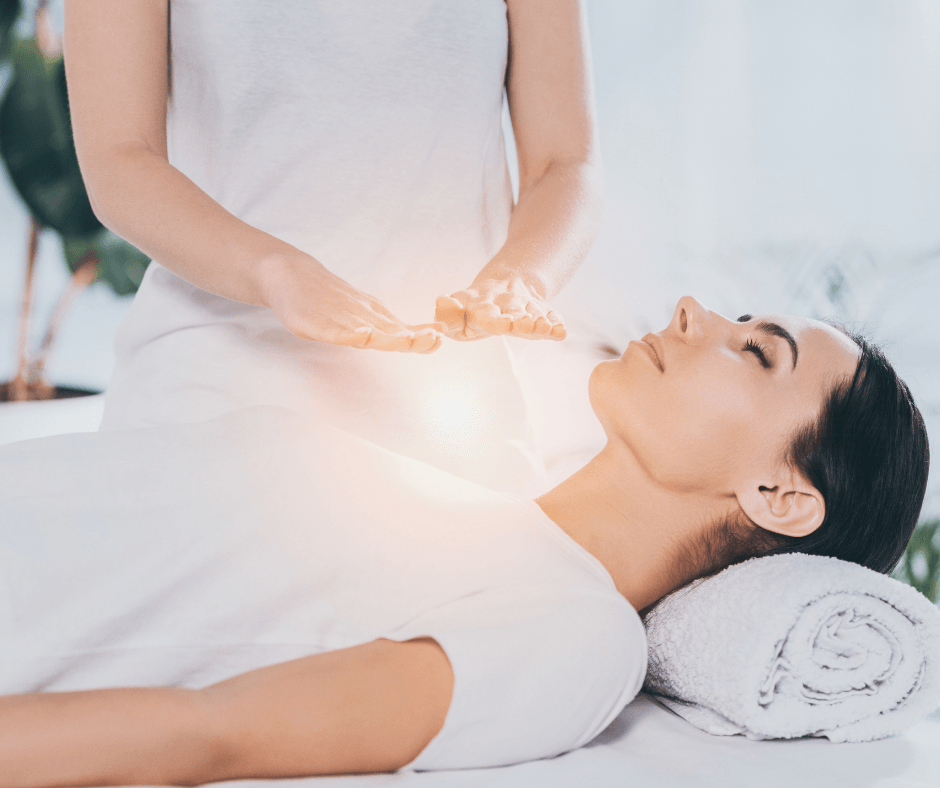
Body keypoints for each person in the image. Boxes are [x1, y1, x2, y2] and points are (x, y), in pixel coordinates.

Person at [0, 297, 929, 786]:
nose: (694, 311)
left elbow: (210, 735)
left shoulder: (581, 635)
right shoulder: (472, 499)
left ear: (779, 495)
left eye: (757, 352)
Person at [63, 0, 603, 495]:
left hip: (454, 422)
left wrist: (520, 279)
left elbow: (563, 165)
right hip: (209, 400)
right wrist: (275, 271)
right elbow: (120, 157)